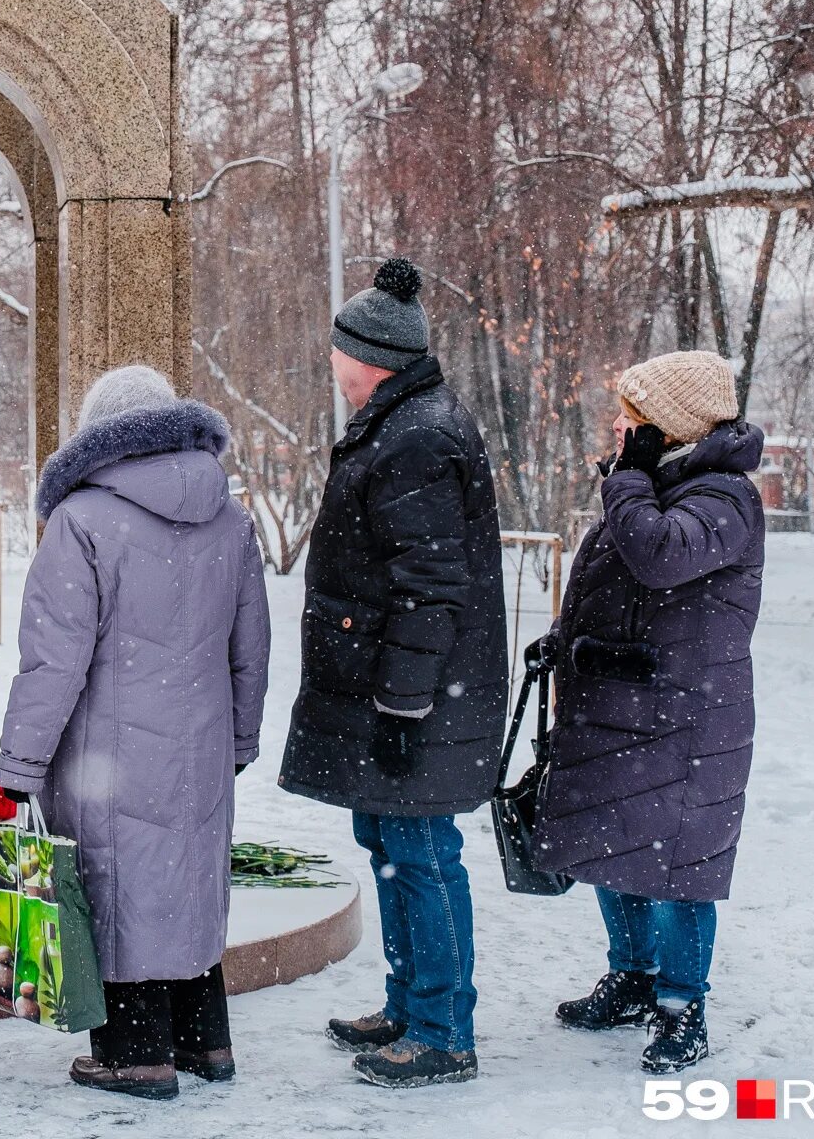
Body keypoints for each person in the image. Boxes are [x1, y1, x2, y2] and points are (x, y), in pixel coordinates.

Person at [0, 365, 270, 1102]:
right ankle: (205, 1042)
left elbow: (53, 661)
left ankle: (135, 1055)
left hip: (106, 753)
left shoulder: (83, 521)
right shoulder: (232, 518)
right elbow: (251, 646)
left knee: (118, 886)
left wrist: (19, 765)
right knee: (186, 880)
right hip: (202, 744)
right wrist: (239, 739)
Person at [277, 257, 509, 1088]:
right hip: (401, 693)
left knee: (421, 852)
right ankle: (410, 1004)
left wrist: (403, 705)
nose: (331, 366)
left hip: (417, 701)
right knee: (390, 843)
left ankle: (443, 1031)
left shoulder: (416, 436)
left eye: (337, 353)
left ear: (369, 356)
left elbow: (431, 586)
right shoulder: (402, 422)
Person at [528, 350, 763, 1074]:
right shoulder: (659, 484)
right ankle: (632, 978)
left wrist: (627, 477)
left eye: (632, 414)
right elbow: (622, 585)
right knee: (615, 845)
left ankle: (681, 1007)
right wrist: (564, 642)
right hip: (624, 707)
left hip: (686, 719)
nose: (619, 425)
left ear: (668, 425)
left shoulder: (724, 496)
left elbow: (659, 556)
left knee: (677, 867)